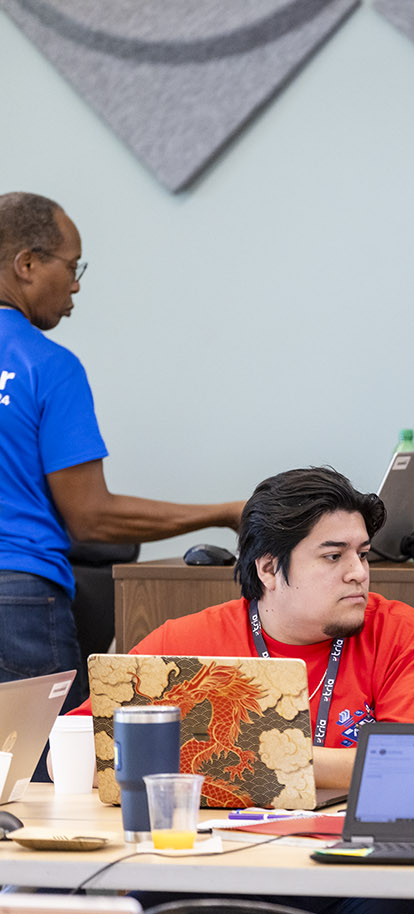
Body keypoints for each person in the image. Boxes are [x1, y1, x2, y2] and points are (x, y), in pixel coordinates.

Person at [87, 466, 414, 914]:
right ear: (268, 567)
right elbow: (88, 749)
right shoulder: (184, 644)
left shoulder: (402, 633)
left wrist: (248, 760)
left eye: (362, 554)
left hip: (365, 868)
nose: (358, 573)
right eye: (333, 556)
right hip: (227, 865)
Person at [0, 192, 242, 703]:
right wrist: (225, 511)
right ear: (26, 264)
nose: (76, 282)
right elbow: (92, 518)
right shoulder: (47, 364)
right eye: (71, 264)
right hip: (16, 601)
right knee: (49, 775)